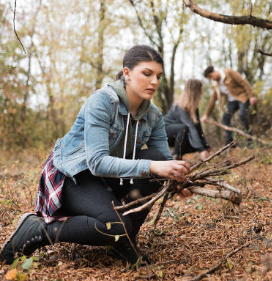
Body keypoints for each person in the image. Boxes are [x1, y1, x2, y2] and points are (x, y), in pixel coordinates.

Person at [0, 45, 191, 267]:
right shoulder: (102, 102)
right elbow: (97, 162)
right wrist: (152, 166)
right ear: (127, 73)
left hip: (110, 177)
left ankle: (123, 244)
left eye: (158, 76)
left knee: (157, 158)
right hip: (74, 175)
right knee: (117, 225)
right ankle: (39, 230)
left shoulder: (154, 115)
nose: (154, 82)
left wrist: (176, 178)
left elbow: (163, 161)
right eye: (146, 74)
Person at [201, 66, 257, 145]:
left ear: (214, 71)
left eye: (211, 76)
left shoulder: (228, 72)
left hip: (242, 97)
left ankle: (250, 140)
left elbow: (243, 82)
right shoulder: (215, 85)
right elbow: (213, 99)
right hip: (232, 102)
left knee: (242, 115)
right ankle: (230, 143)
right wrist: (206, 115)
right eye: (209, 78)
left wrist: (251, 96)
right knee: (225, 118)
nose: (212, 79)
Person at [164, 79, 210, 161]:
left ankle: (174, 153)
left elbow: (198, 128)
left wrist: (206, 145)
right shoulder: (180, 105)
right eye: (201, 88)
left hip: (179, 133)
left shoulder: (194, 107)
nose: (202, 91)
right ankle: (176, 157)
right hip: (166, 132)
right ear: (196, 91)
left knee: (194, 143)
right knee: (184, 128)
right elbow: (191, 127)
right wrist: (202, 150)